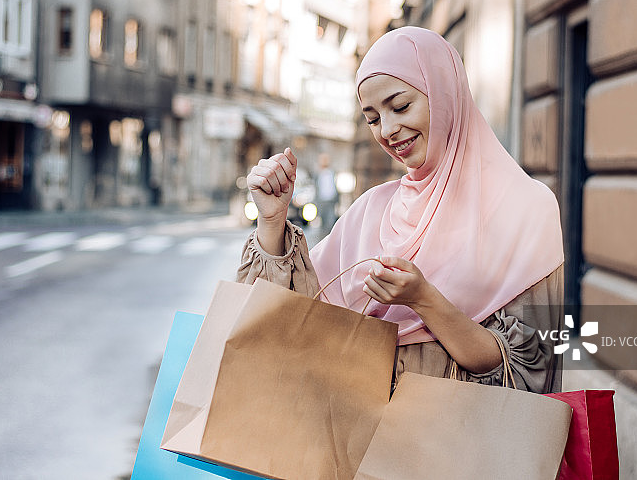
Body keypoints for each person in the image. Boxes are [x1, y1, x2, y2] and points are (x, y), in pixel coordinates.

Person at [238, 27, 564, 393]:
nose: (388, 130)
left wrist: (424, 300)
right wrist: (272, 220)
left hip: (459, 427)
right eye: (373, 118)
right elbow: (285, 321)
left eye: (401, 106)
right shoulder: (371, 211)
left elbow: (530, 364)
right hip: (357, 426)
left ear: (444, 95)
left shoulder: (525, 208)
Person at [314, 152, 339, 234]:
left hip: (331, 201)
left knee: (330, 223)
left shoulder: (333, 173)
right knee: (322, 224)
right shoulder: (317, 174)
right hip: (321, 202)